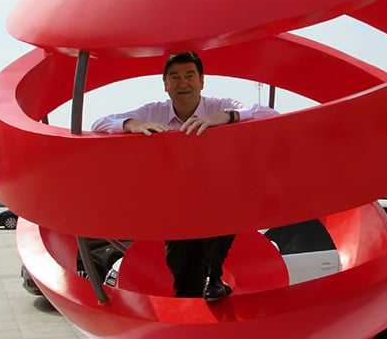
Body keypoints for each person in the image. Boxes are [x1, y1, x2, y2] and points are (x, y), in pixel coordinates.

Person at [91, 51, 278, 301]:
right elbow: (99, 124)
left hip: (216, 198)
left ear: (201, 81)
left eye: (190, 75)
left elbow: (271, 115)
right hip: (176, 205)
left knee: (226, 205)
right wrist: (132, 125)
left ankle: (214, 277)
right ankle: (196, 299)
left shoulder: (217, 106)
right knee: (184, 277)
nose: (183, 83)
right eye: (175, 77)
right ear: (165, 84)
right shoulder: (154, 112)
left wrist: (227, 116)